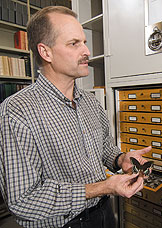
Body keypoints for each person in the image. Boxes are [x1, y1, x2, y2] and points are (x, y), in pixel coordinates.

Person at [0, 6, 151, 228]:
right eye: (74, 43)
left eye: (84, 42)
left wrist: (121, 159)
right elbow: (23, 200)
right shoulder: (17, 111)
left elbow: (105, 151)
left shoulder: (90, 102)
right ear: (46, 52)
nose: (87, 51)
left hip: (104, 213)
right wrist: (104, 187)